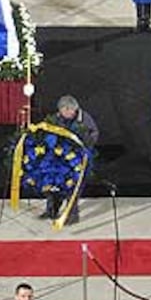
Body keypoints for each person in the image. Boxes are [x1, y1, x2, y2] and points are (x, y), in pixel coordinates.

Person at [41, 95, 99, 224]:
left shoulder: (84, 118)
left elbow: (94, 133)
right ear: (60, 110)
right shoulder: (54, 119)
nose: (68, 112)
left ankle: (72, 214)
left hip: (77, 160)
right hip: (58, 159)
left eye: (70, 109)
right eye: (65, 109)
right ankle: (52, 210)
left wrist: (85, 145)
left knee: (72, 187)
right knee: (52, 185)